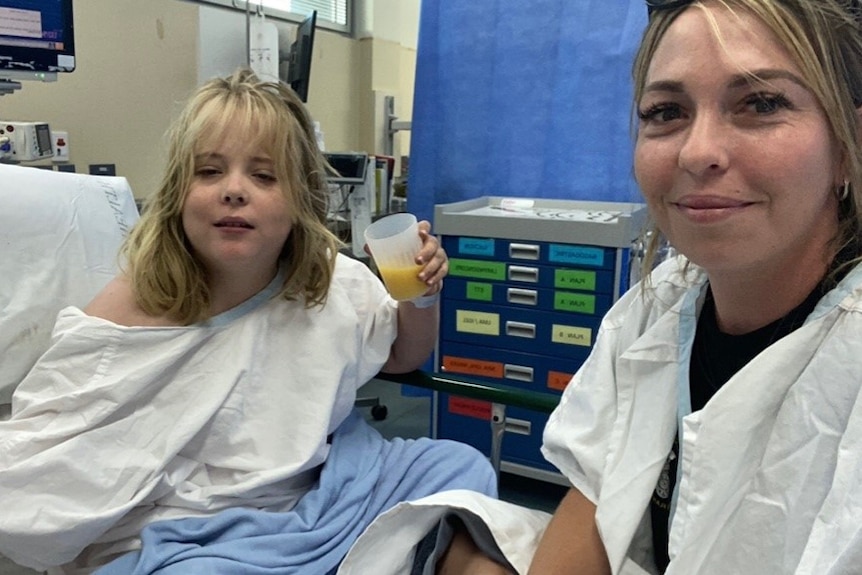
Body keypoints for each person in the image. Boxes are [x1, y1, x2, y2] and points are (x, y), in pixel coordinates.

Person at [335, 1, 862, 574]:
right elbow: (595, 497)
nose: (698, 152)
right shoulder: (654, 307)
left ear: (848, 143)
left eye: (761, 103)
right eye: (666, 111)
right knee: (455, 547)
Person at [0, 68, 497, 575]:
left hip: (320, 495)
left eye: (263, 176)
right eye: (210, 171)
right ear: (178, 193)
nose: (234, 190)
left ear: (301, 197)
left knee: (457, 465)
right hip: (198, 528)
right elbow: (39, 449)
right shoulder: (134, 304)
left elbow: (403, 356)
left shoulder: (332, 282)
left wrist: (422, 297)